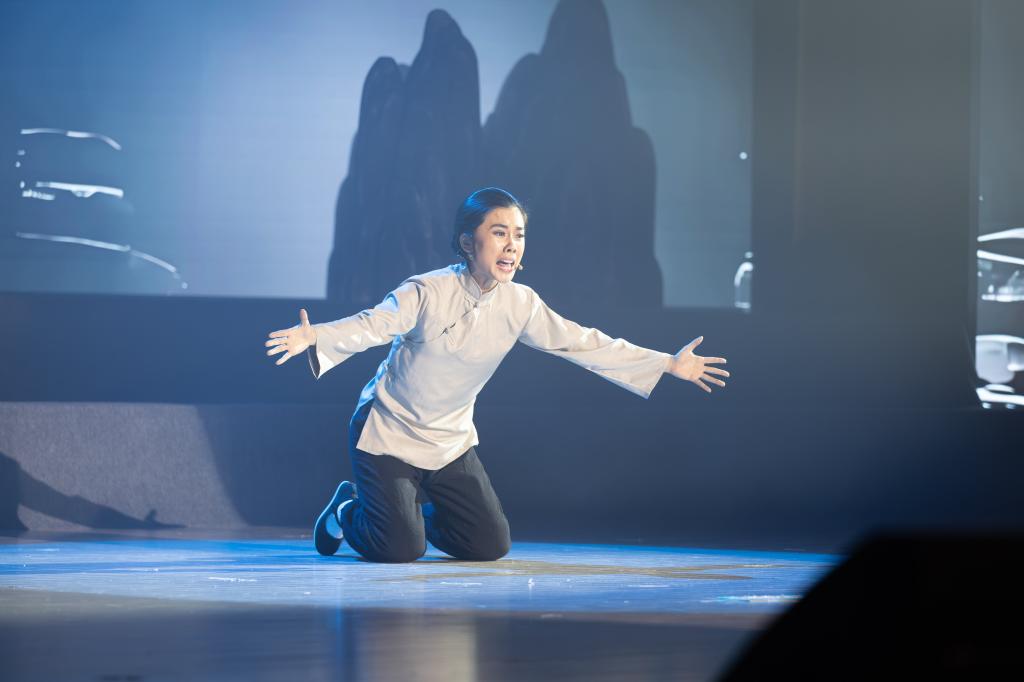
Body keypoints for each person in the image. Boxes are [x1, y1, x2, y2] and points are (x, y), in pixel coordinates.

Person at [265, 187, 729, 563]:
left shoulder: (520, 303)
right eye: (500, 232)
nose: (512, 245)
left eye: (519, 235)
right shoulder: (427, 290)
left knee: (488, 544)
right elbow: (374, 323)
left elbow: (583, 342)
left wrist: (666, 363)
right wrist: (315, 336)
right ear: (468, 242)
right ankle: (349, 510)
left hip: (449, 440)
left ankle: (398, 515)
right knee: (400, 549)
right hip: (388, 430)